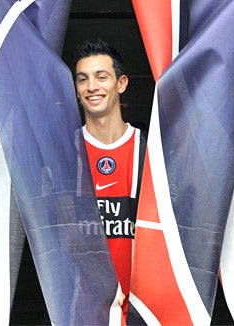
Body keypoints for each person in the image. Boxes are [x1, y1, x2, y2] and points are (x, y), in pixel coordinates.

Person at [73, 39, 146, 318]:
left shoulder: (149, 152)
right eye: (83, 79)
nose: (92, 86)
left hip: (140, 312)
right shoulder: (66, 155)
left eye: (101, 77)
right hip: (81, 313)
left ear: (121, 83)